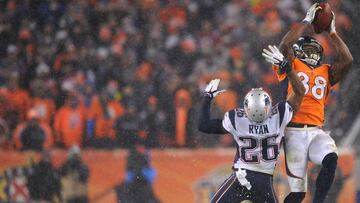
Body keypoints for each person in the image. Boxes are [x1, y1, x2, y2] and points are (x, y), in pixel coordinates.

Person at [198, 45, 305, 203]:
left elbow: (204, 126)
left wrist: (207, 99)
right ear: (268, 107)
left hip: (241, 178)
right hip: (264, 182)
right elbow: (300, 91)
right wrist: (288, 69)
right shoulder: (279, 115)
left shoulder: (237, 119)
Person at [271, 3, 353, 203]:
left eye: (314, 48)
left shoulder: (326, 70)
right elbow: (284, 46)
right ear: (298, 51)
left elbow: (348, 60)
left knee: (331, 159)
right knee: (298, 193)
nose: (312, 52)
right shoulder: (290, 64)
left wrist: (332, 32)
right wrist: (306, 21)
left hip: (316, 130)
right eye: (307, 48)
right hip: (293, 132)